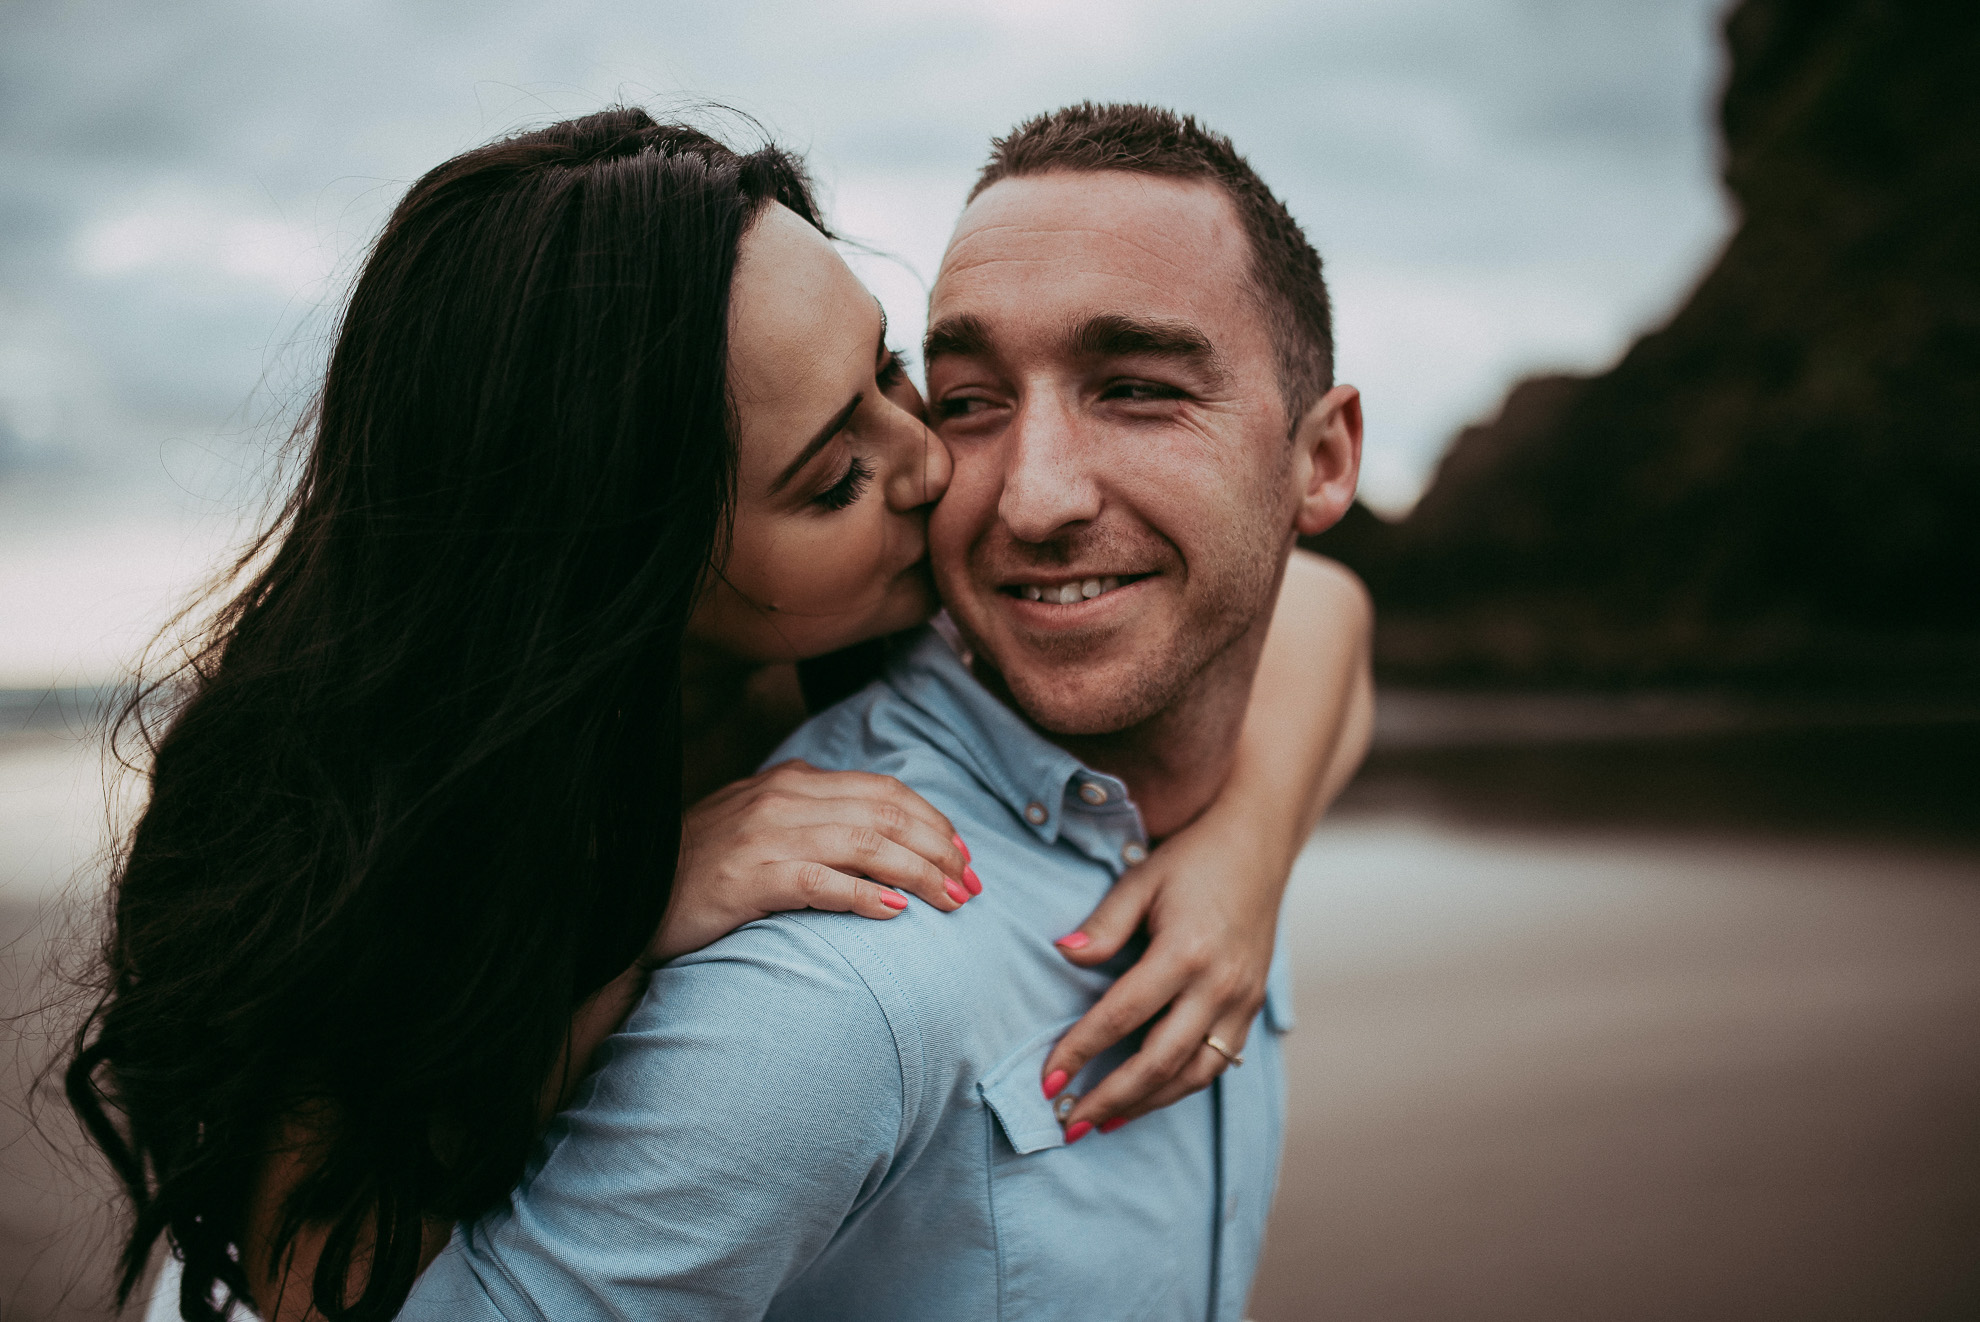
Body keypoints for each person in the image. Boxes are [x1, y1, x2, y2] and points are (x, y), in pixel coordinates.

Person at [67, 110, 1370, 1322]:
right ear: (637, 565)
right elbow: (312, 1278)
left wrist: (1240, 852)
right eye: (834, 475)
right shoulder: (399, 822)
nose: (944, 470)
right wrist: (640, 917)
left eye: (897, 375)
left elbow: (1310, 602)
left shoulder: (875, 621)